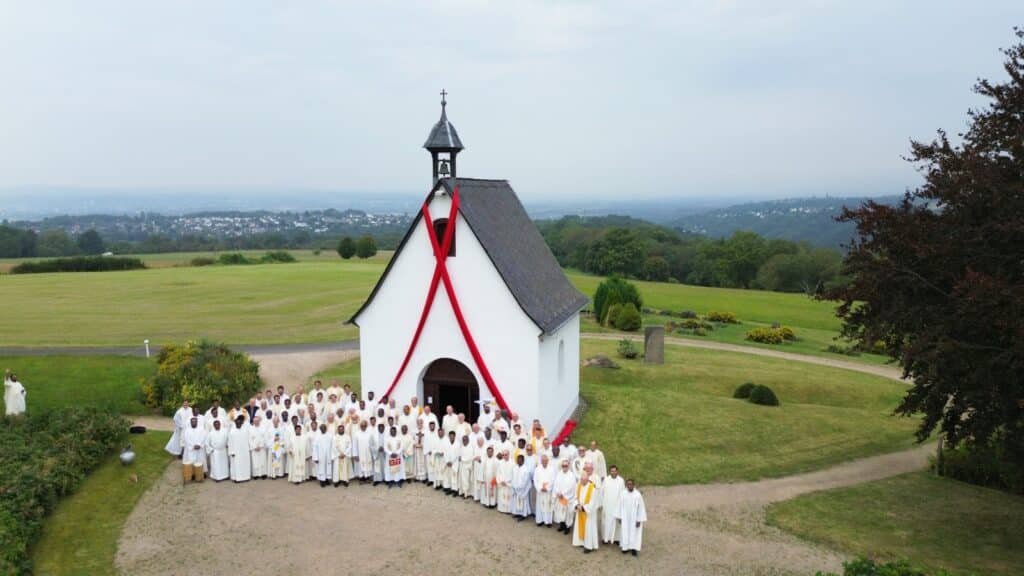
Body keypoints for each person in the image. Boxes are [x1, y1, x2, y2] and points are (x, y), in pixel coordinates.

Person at [617, 479, 647, 556]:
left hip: (635, 518)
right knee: (625, 532)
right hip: (625, 517)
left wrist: (639, 520)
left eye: (631, 484)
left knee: (635, 533)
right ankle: (625, 547)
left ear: (634, 485)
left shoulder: (637, 495)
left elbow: (641, 508)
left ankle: (634, 548)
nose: (629, 486)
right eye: (628, 484)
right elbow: (619, 505)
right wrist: (619, 517)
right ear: (626, 485)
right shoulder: (623, 494)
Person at [572, 472, 600, 553]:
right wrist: (577, 505)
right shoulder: (579, 486)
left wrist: (583, 508)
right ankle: (581, 542)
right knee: (579, 526)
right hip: (580, 510)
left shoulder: (593, 488)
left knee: (589, 528)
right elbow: (575, 497)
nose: (581, 481)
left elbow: (593, 502)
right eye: (581, 479)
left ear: (588, 479)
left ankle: (588, 546)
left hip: (588, 513)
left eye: (583, 480)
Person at [601, 465, 625, 544]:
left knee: (616, 522)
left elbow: (623, 493)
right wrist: (602, 503)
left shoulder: (621, 481)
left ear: (617, 471)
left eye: (615, 471)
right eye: (612, 471)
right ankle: (605, 538)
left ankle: (616, 539)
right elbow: (602, 492)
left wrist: (621, 505)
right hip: (607, 504)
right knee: (606, 522)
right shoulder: (606, 480)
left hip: (616, 504)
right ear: (609, 472)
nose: (613, 472)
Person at [553, 459, 577, 534]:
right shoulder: (559, 474)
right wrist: (557, 492)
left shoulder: (571, 475)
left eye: (566, 466)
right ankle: (562, 525)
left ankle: (567, 527)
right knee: (560, 511)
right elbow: (556, 484)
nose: (564, 467)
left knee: (567, 513)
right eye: (563, 466)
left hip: (567, 498)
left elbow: (571, 487)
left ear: (568, 466)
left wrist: (562, 494)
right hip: (559, 497)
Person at [181, 415, 207, 484]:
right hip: (191, 449)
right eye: (192, 421)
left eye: (195, 421)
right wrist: (193, 446)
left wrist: (199, 445)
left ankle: (202, 473)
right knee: (192, 460)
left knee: (201, 460)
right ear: (190, 422)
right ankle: (192, 474)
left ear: (197, 422)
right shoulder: (187, 431)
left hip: (200, 448)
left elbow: (204, 437)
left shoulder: (201, 429)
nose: (194, 423)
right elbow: (187, 439)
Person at [532, 454, 556, 527]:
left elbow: (553, 480)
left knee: (548, 506)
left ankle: (548, 521)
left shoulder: (552, 469)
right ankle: (540, 520)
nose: (544, 462)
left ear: (548, 461)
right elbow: (535, 480)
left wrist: (547, 488)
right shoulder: (537, 469)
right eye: (543, 460)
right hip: (540, 491)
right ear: (541, 461)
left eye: (546, 460)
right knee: (540, 506)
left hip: (548, 492)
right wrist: (540, 488)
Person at [227, 415, 252, 483]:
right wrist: (231, 452)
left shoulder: (245, 430)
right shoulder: (232, 432)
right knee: (236, 465)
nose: (238, 424)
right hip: (236, 453)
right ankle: (236, 478)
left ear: (242, 423)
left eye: (240, 423)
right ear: (235, 423)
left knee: (245, 464)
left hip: (244, 452)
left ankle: (246, 477)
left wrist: (249, 448)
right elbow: (230, 443)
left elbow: (249, 440)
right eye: (237, 423)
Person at [511, 454, 533, 521]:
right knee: (516, 501)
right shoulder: (515, 468)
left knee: (523, 502)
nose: (519, 461)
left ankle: (523, 515)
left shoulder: (526, 469)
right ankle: (517, 513)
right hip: (516, 488)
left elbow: (525, 481)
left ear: (523, 461)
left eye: (520, 460)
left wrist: (518, 487)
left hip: (523, 489)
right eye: (518, 460)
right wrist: (514, 486)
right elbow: (512, 477)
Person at [248, 415, 268, 479]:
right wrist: (254, 447)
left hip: (261, 448)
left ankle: (263, 474)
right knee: (255, 462)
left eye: (257, 421)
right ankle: (255, 474)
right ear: (253, 422)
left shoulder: (263, 428)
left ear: (259, 421)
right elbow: (249, 439)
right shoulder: (250, 429)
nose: (256, 422)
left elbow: (265, 438)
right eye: (255, 421)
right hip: (254, 449)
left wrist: (261, 446)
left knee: (262, 461)